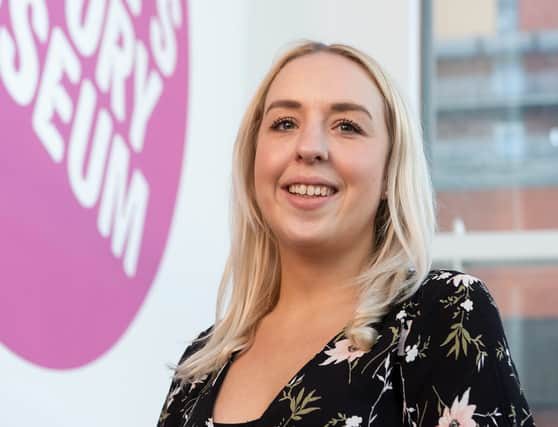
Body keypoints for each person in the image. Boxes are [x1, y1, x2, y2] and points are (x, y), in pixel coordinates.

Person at [157, 41, 535, 427]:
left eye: (347, 126)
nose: (309, 148)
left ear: (390, 173)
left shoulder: (442, 316)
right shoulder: (200, 366)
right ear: (254, 158)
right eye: (284, 123)